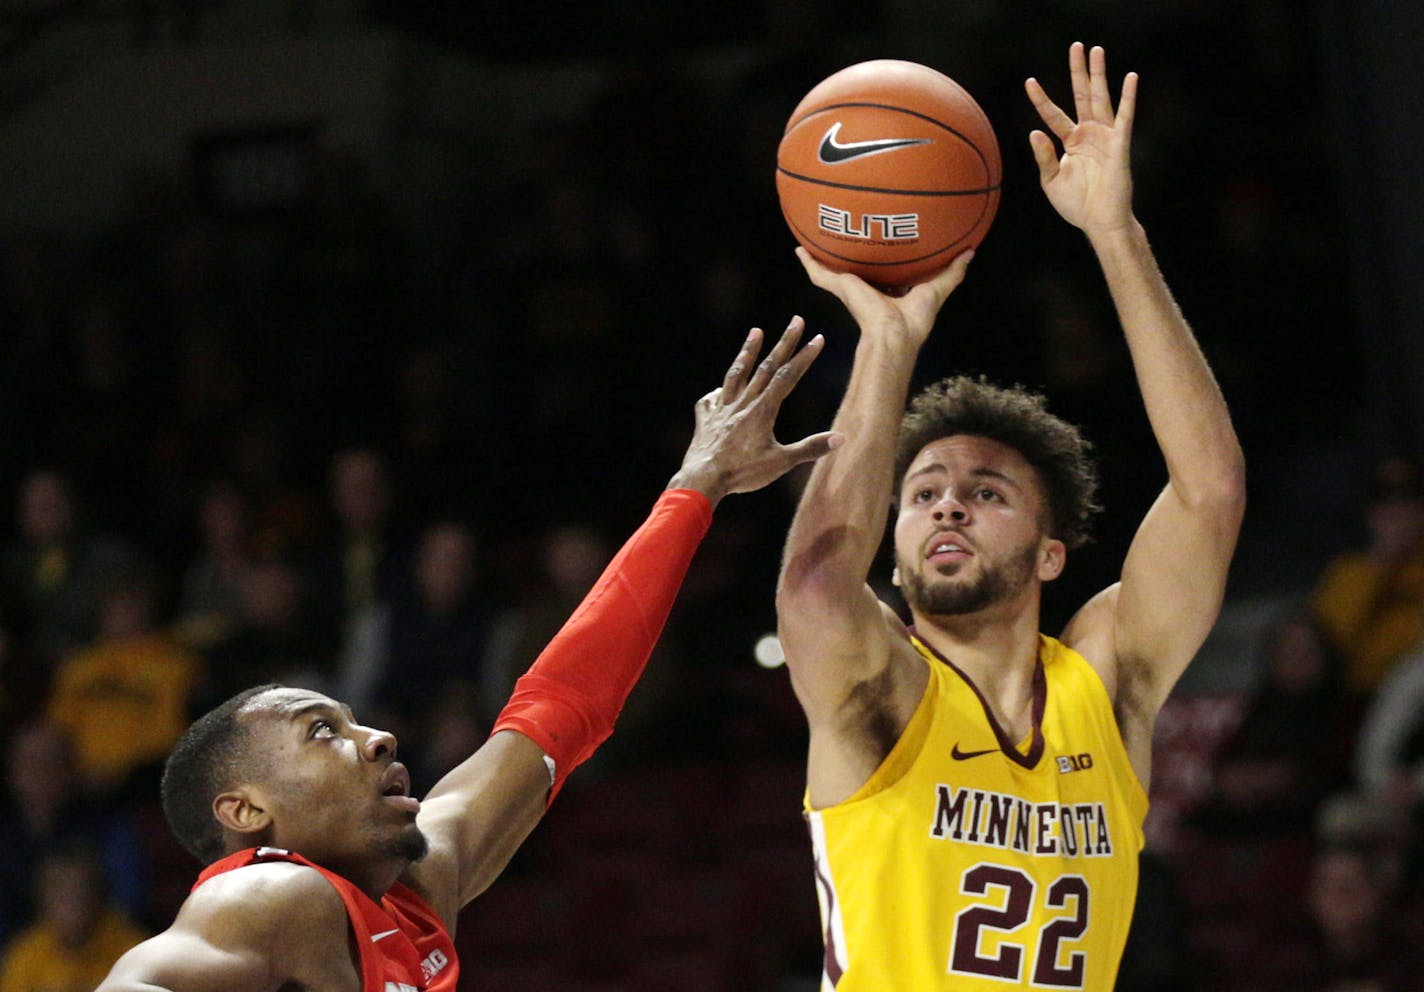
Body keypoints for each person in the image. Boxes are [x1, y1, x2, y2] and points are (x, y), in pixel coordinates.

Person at [96, 320, 837, 992]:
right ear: (245, 810)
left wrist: (697, 487)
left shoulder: (413, 894)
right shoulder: (262, 895)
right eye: (321, 731)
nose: (378, 737)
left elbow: (563, 706)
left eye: (351, 723)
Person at [775, 43, 1245, 990]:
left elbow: (1210, 491)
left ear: (1049, 554)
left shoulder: (1108, 690)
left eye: (987, 492)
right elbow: (820, 578)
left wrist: (1117, 237)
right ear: (895, 548)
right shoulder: (881, 690)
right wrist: (888, 342)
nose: (947, 499)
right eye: (924, 493)